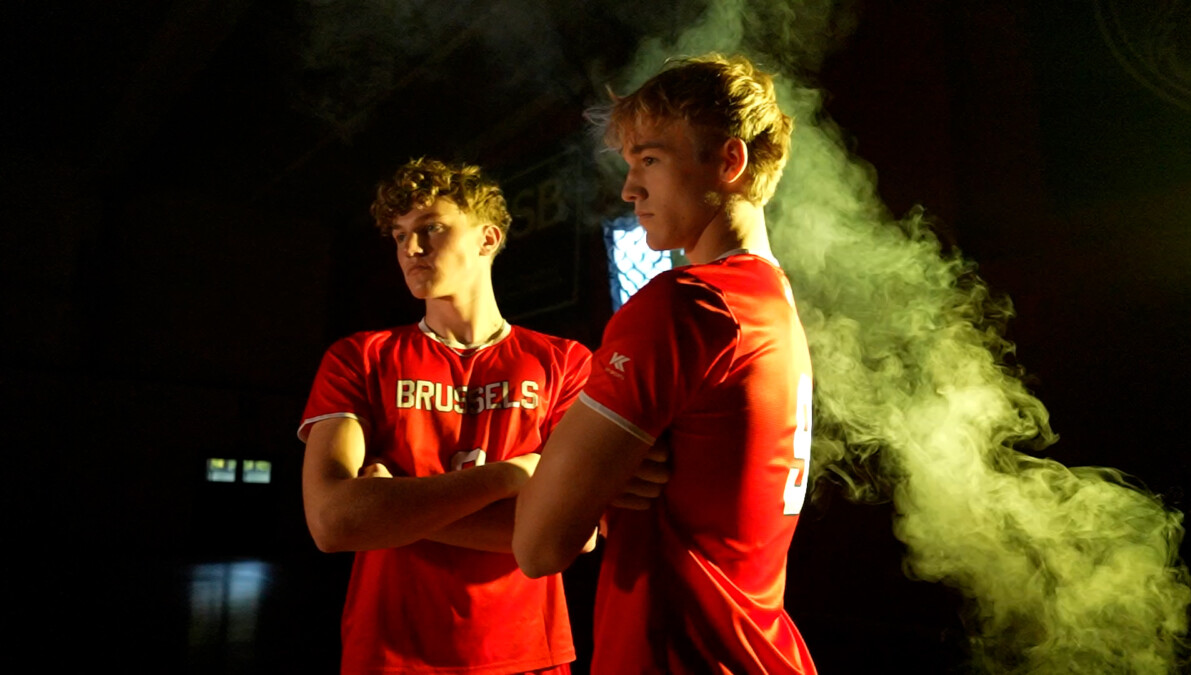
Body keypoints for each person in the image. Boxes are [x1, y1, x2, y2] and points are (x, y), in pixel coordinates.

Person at [513, 54, 818, 674]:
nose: (629, 188)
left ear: (729, 161)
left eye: (649, 160)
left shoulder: (688, 303)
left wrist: (549, 469)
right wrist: (602, 472)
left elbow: (538, 546)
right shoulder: (772, 300)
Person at [299, 158, 591, 674]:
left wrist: (390, 506)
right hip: (390, 653)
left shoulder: (565, 362)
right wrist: (512, 475)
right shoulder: (359, 358)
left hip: (526, 654)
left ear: (487, 239)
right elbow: (332, 523)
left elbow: (571, 532)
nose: (410, 248)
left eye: (430, 228)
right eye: (399, 235)